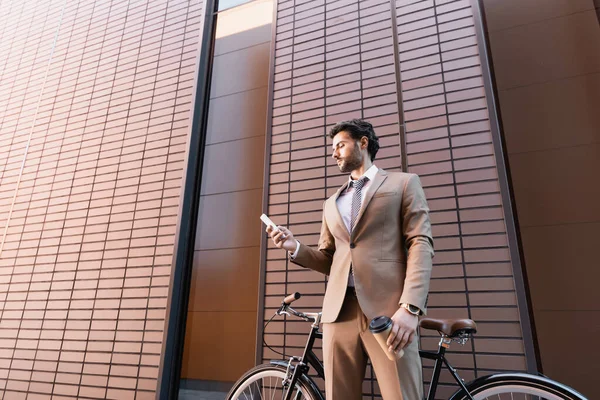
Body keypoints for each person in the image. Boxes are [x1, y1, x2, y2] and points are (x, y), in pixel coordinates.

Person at [267, 119, 434, 400]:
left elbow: (421, 243)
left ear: (363, 142)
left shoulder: (403, 183)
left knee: (402, 396)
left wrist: (410, 307)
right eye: (332, 148)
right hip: (338, 314)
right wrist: (294, 246)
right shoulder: (331, 203)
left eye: (340, 145)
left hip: (388, 312)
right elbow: (329, 259)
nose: (334, 153)